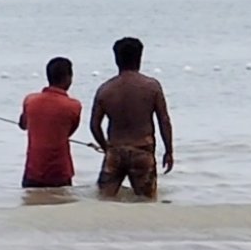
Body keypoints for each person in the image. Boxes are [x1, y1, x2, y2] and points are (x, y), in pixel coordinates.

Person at [90, 37, 174, 199]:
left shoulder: (105, 89)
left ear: (116, 59)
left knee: (104, 200)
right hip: (142, 151)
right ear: (140, 58)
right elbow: (164, 120)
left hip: (115, 152)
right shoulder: (152, 86)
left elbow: (94, 125)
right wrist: (168, 151)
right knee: (146, 202)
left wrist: (106, 147)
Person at [19, 57, 82, 188]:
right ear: (68, 77)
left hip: (33, 171)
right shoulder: (74, 106)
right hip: (60, 172)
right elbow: (68, 133)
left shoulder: (30, 100)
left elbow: (23, 125)